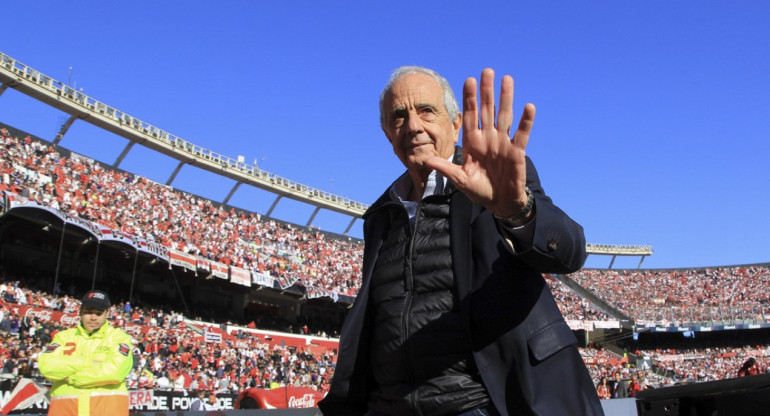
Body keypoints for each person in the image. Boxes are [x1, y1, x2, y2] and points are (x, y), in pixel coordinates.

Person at [318, 66, 603, 416]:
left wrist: (517, 211)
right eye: (398, 116)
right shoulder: (380, 217)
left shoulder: (497, 180)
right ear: (387, 134)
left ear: (455, 124)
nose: (413, 126)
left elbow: (570, 251)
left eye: (426, 110)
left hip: (477, 404)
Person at [38, 290, 133, 416]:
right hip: (66, 411)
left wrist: (72, 377)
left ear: (107, 313)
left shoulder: (119, 338)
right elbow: (47, 367)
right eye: (88, 312)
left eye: (98, 313)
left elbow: (115, 372)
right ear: (80, 311)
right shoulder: (63, 337)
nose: (93, 317)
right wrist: (89, 363)